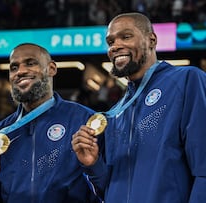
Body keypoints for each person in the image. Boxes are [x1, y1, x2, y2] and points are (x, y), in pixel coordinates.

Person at [71, 12, 206, 203]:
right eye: (110, 42)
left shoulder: (186, 81)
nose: (116, 46)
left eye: (126, 37)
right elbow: (107, 191)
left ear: (151, 40)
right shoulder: (114, 114)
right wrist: (93, 165)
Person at [0, 43, 97, 202]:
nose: (21, 71)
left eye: (30, 63)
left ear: (51, 68)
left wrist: (94, 166)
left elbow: (106, 188)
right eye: (14, 67)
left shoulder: (84, 120)